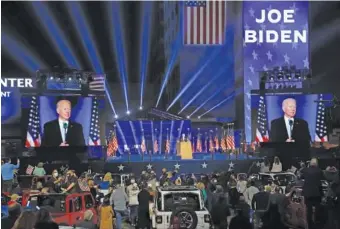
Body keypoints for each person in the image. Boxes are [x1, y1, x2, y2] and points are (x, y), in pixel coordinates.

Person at [300, 158, 324, 229]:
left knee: (309, 210)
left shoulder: (306, 170)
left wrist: (305, 166)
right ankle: (317, 225)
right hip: (317, 193)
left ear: (310, 163)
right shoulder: (319, 171)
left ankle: (309, 226)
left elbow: (301, 176)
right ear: (316, 164)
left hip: (307, 193)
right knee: (317, 210)